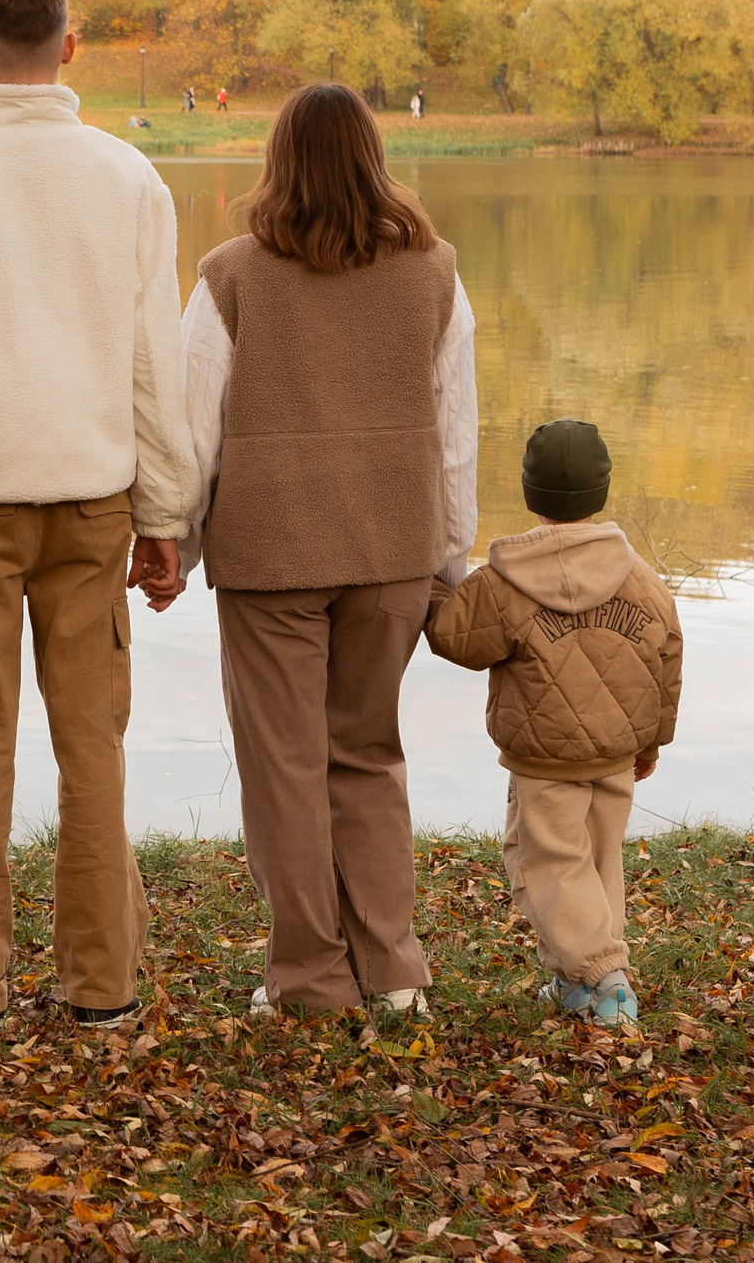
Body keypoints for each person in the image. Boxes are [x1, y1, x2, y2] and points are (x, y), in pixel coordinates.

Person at [0, 0, 200, 1031]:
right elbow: (155, 361)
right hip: (95, 498)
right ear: (70, 48)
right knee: (91, 743)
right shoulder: (128, 179)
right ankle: (99, 979)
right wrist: (165, 514)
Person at [154, 81, 475, 1020]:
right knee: (368, 754)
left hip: (271, 558)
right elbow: (458, 433)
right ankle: (393, 972)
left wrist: (176, 543)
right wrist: (448, 558)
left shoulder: (229, 277)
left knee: (285, 768)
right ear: (375, 158)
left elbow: (193, 433)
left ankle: (309, 979)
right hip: (393, 551)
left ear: (278, 162)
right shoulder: (438, 274)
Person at [424, 420, 682, 1028]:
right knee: (597, 862)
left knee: (545, 861)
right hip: (618, 754)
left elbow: (453, 636)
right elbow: (667, 661)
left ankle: (605, 979)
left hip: (543, 758)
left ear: (530, 494)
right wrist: (652, 740)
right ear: (602, 491)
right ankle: (575, 985)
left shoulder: (506, 581)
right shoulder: (645, 583)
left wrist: (434, 585)